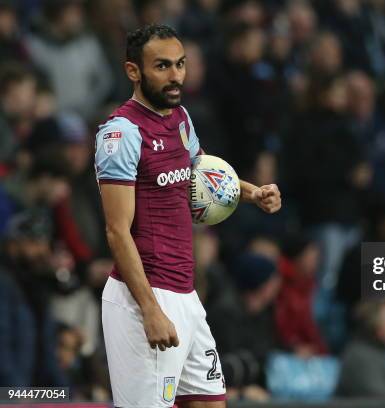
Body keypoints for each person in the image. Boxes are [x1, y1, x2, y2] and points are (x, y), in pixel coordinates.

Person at [95, 24, 281, 408]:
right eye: (162, 66)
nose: (176, 74)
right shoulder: (122, 133)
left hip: (186, 295)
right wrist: (149, 309)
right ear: (134, 71)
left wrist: (252, 193)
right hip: (144, 298)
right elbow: (116, 231)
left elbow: (200, 170)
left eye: (180, 64)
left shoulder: (179, 119)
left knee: (210, 402)